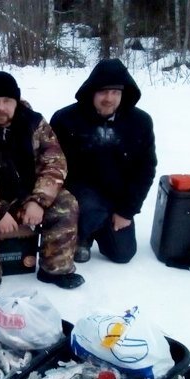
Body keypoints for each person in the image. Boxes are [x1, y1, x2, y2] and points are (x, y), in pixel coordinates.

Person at [0, 71, 84, 291]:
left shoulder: (35, 124)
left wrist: (38, 201)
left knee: (66, 205)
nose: (1, 107)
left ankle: (55, 269)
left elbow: (55, 163)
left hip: (25, 198)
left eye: (7, 100)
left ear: (16, 101)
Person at [50, 59, 157, 264]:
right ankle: (83, 235)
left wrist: (127, 211)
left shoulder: (140, 123)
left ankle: (100, 227)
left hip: (117, 197)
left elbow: (146, 170)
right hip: (79, 196)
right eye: (103, 92)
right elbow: (50, 165)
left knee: (122, 254)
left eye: (115, 92)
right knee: (90, 205)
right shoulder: (66, 119)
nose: (109, 98)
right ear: (92, 92)